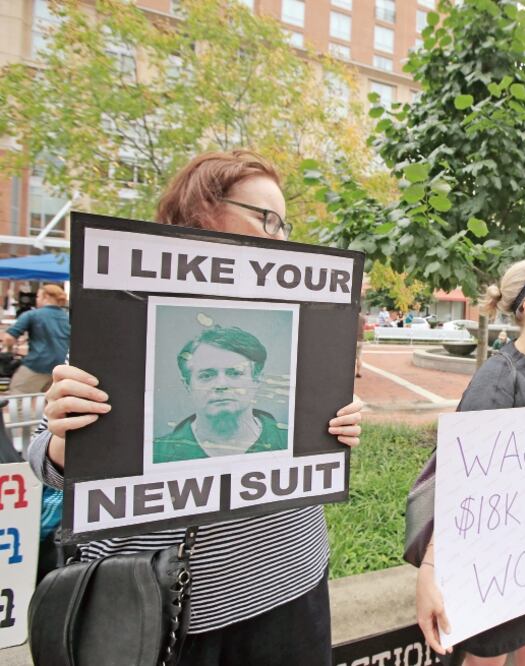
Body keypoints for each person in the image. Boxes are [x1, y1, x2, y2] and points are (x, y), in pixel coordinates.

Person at [27, 151, 363, 666]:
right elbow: (46, 459)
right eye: (265, 218)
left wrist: (335, 425)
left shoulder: (306, 319)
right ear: (200, 211)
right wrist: (65, 442)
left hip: (291, 588)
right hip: (161, 610)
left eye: (284, 223)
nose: (279, 236)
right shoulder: (123, 306)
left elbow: (318, 433)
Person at [417, 257, 525, 666]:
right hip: (497, 560)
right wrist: (431, 566)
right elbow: (459, 480)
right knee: (488, 659)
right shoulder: (498, 378)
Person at [154, 325, 286, 463]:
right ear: (187, 385)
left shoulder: (292, 442)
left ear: (257, 379)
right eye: (206, 376)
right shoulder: (156, 455)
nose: (221, 385)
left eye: (235, 373)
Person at [3, 283, 70, 394]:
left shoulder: (32, 315)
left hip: (36, 364)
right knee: (51, 403)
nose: (36, 300)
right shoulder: (67, 318)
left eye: (38, 296)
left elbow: (9, 338)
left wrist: (9, 350)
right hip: (60, 366)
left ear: (46, 297)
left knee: (18, 395)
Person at [356, 312, 366, 378]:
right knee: (359, 357)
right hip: (361, 339)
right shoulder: (363, 318)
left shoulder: (352, 317)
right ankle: (358, 372)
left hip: (353, 340)